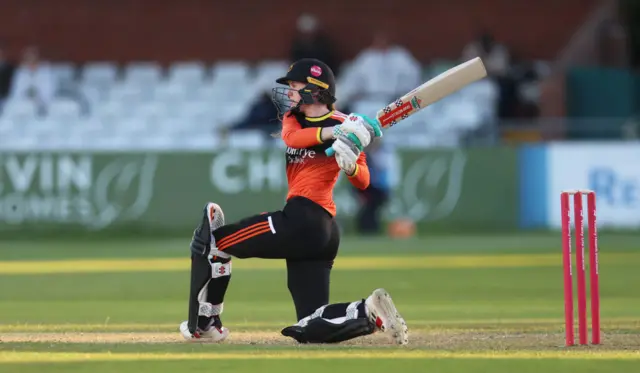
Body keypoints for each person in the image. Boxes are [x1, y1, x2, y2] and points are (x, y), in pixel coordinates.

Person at [179, 58, 408, 345]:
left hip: (306, 220)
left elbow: (363, 180)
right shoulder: (300, 120)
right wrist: (334, 133)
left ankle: (205, 324)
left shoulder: (347, 125)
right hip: (317, 231)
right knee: (311, 323)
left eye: (295, 86)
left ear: (315, 89)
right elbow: (293, 139)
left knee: (215, 242)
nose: (289, 93)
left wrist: (350, 164)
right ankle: (367, 311)